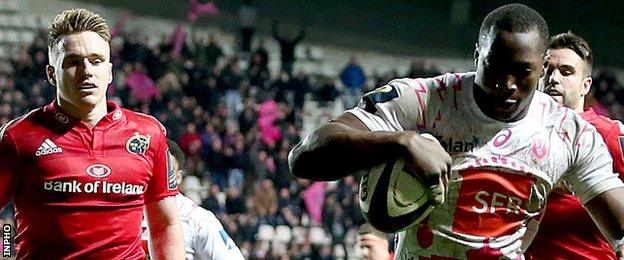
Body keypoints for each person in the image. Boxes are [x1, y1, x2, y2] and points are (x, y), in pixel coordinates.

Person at [288, 4, 624, 259]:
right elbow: (305, 157)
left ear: (540, 68)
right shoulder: (423, 101)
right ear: (477, 56)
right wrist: (402, 142)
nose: (507, 85)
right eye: (495, 67)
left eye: (522, 72)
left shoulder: (568, 133)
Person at [0, 8, 184, 259]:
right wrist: (7, 250)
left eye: (96, 60)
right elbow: (6, 229)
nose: (87, 70)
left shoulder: (149, 133)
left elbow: (165, 225)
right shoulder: (18, 138)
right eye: (73, 61)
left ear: (109, 71)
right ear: (52, 74)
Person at [525, 33, 624, 259]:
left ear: (585, 85)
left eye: (566, 71)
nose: (553, 78)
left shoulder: (607, 133)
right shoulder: (518, 132)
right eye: (547, 70)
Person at [142, 140, 245, 260]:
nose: (157, 177)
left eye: (165, 172)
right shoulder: (121, 210)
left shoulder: (198, 219)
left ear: (178, 178)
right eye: (152, 169)